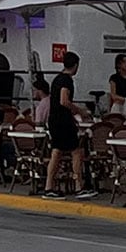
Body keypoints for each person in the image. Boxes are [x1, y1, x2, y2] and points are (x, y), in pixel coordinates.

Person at [42, 52, 95, 199]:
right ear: (76, 65)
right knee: (76, 151)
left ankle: (49, 186)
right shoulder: (66, 80)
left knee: (57, 152)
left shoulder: (57, 79)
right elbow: (64, 100)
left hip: (54, 120)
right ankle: (79, 186)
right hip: (63, 121)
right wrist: (80, 111)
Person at [107, 53, 126, 119]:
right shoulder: (114, 78)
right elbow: (113, 95)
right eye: (125, 62)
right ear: (119, 64)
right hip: (118, 105)